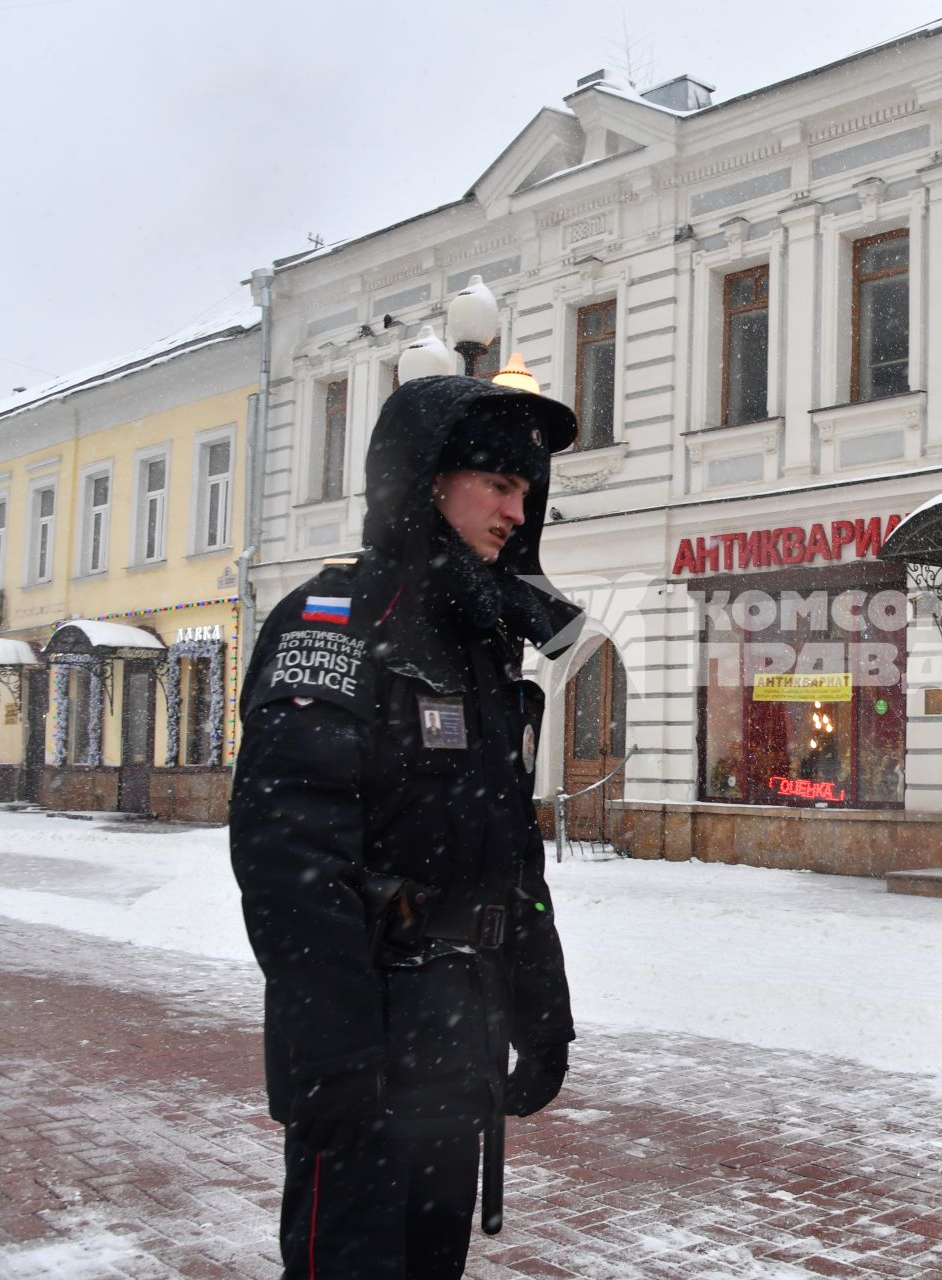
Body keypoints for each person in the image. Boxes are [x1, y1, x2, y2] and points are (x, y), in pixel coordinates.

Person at [231, 374, 582, 1279]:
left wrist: (544, 1015)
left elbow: (511, 856)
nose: (516, 509)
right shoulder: (337, 620)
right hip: (366, 1035)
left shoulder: (479, 640)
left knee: (432, 1266)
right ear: (429, 480)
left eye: (524, 492)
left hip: (451, 1044)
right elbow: (289, 858)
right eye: (498, 486)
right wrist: (335, 1052)